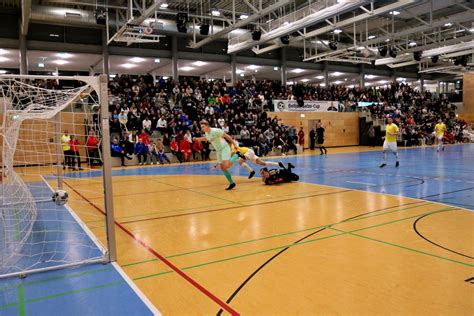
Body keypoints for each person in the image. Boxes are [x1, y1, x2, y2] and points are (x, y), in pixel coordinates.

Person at [193, 120, 236, 190]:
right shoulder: (207, 133)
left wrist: (234, 144)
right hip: (218, 151)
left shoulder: (216, 131)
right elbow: (206, 138)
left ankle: (237, 155)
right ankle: (232, 183)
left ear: (207, 126)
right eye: (201, 127)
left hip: (224, 148)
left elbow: (227, 136)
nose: (202, 129)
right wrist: (198, 139)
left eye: (203, 127)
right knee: (223, 168)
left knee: (226, 165)